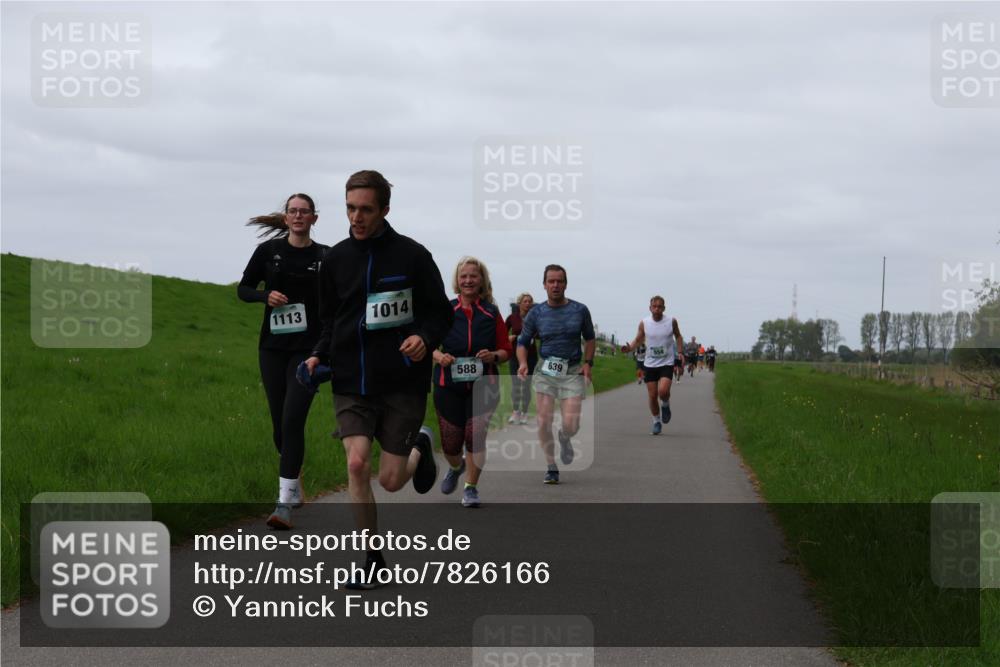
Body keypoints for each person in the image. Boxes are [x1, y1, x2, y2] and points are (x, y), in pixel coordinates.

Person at [304, 170, 453, 587]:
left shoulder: (412, 256)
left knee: (389, 481)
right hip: (352, 380)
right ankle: (370, 558)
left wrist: (424, 338)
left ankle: (420, 447)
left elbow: (439, 313)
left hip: (402, 381)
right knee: (355, 463)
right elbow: (329, 322)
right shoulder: (334, 260)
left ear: (385, 209)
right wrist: (318, 355)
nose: (357, 217)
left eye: (366, 209)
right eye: (351, 208)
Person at [238, 194, 328, 530]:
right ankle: (295, 477)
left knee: (292, 420)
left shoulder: (325, 256)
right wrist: (266, 296)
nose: (299, 216)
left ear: (314, 219)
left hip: (308, 351)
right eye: (293, 211)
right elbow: (243, 289)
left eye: (305, 212)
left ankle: (283, 503)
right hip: (272, 349)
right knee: (280, 424)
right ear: (286, 217)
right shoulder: (268, 253)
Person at [432, 257, 513, 508]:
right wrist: (438, 355)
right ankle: (456, 468)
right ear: (457, 280)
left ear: (482, 281)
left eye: (473, 276)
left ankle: (471, 488)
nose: (468, 281)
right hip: (448, 385)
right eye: (463, 276)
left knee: (474, 436)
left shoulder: (491, 312)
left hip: (484, 385)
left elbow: (506, 349)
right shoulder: (445, 309)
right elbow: (428, 343)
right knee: (451, 443)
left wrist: (494, 356)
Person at [517, 265, 596, 485]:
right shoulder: (536, 313)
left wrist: (588, 363)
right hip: (546, 370)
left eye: (559, 281)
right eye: (551, 281)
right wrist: (523, 363)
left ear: (565, 284)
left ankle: (565, 436)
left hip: (571, 370)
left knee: (571, 423)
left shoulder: (580, 310)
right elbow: (522, 342)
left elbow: (590, 339)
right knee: (543, 420)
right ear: (544, 285)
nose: (555, 285)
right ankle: (551, 466)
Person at [621, 296, 684, 435]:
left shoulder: (671, 321)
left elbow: (678, 336)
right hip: (650, 364)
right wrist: (629, 348)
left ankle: (665, 405)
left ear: (664, 308)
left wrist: (680, 352)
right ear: (650, 308)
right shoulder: (644, 323)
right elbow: (638, 339)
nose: (657, 309)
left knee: (663, 391)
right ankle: (656, 421)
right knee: (652, 395)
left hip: (666, 362)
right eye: (654, 306)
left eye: (660, 306)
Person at [505, 293, 537, 424]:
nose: (528, 303)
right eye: (525, 301)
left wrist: (534, 336)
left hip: (531, 355)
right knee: (516, 384)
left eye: (530, 301)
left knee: (526, 385)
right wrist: (509, 338)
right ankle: (515, 412)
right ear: (519, 304)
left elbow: (541, 333)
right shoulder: (512, 318)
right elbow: (502, 333)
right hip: (514, 355)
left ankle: (524, 413)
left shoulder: (536, 317)